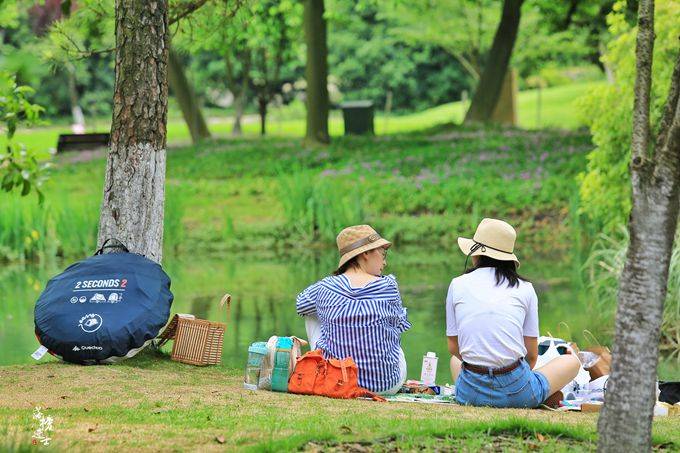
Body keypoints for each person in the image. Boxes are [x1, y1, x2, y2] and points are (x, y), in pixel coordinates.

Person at [446, 218, 580, 408]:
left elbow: (453, 347)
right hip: (517, 392)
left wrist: (482, 369)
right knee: (571, 361)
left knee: (454, 361)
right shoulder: (525, 289)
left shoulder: (457, 284)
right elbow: (531, 356)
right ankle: (535, 396)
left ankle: (503, 392)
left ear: (476, 254)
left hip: (470, 393)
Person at [296, 225, 410, 395]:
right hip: (386, 386)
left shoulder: (325, 286)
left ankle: (327, 367)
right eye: (382, 253)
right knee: (394, 332)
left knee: (311, 313)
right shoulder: (389, 285)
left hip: (337, 382)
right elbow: (397, 330)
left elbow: (300, 304)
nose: (385, 262)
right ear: (366, 253)